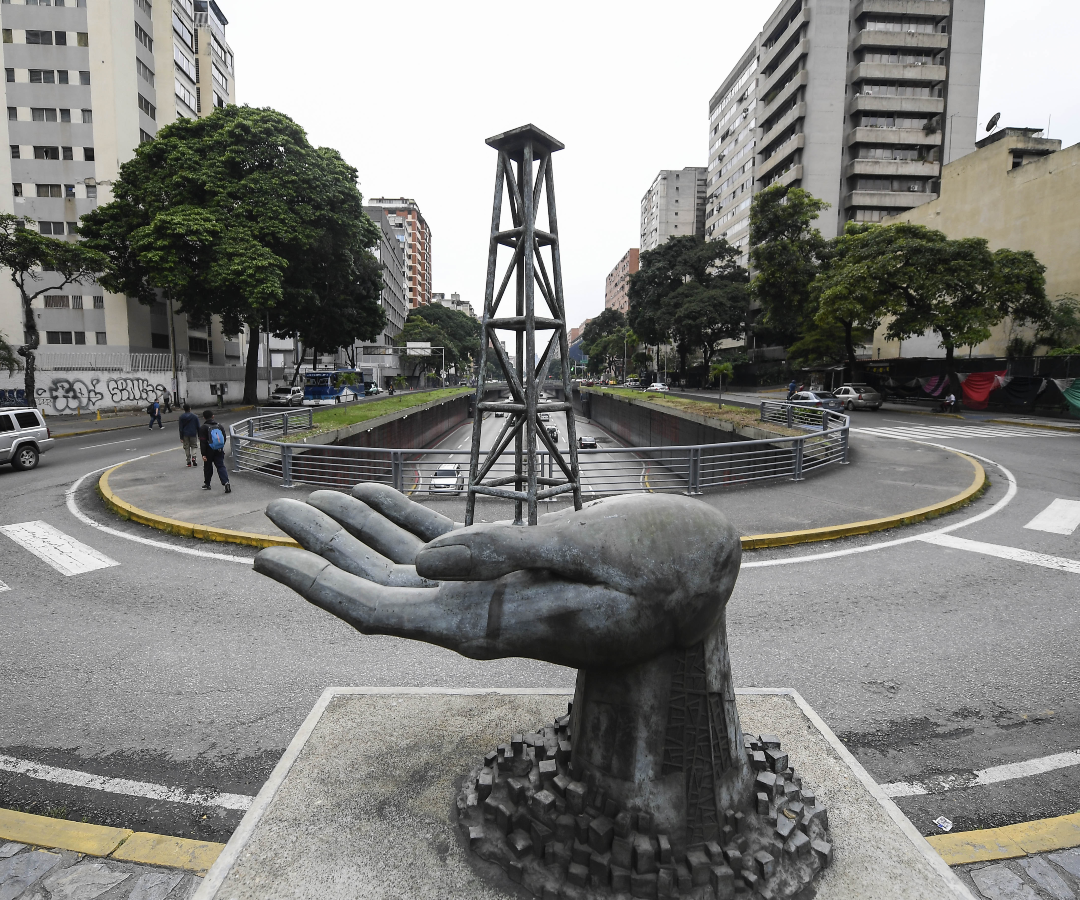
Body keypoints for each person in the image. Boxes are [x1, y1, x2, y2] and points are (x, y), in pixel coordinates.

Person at [199, 410, 231, 493]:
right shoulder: (219, 426)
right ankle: (226, 482)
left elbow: (202, 442)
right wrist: (220, 447)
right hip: (219, 450)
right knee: (220, 466)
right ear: (213, 416)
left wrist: (203, 454)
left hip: (209, 450)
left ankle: (207, 484)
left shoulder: (203, 428)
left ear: (204, 417)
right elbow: (223, 438)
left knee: (208, 467)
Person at [178, 403, 200, 467]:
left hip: (185, 434)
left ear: (184, 409)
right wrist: (199, 435)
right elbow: (198, 426)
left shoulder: (181, 417)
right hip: (193, 433)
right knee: (194, 446)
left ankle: (188, 461)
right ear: (190, 408)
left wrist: (181, 437)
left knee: (186, 447)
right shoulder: (195, 416)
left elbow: (180, 428)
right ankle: (194, 457)